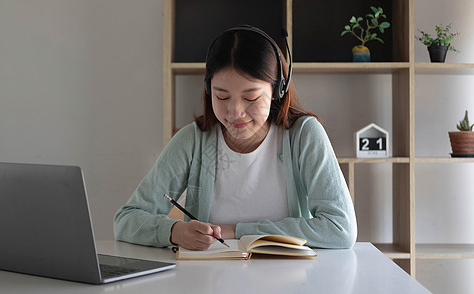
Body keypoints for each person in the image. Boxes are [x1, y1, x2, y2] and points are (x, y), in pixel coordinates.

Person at [114, 25, 357, 251]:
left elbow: (340, 229)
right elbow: (126, 220)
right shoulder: (193, 140)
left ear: (277, 91)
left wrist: (237, 231)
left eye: (250, 98)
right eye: (222, 97)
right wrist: (174, 231)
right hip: (207, 282)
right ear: (209, 90)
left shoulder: (304, 135)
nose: (235, 112)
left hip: (290, 282)